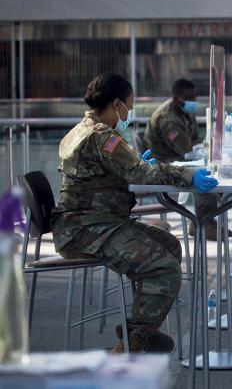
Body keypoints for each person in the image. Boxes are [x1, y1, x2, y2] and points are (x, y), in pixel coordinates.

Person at [50, 73, 218, 354]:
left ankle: (140, 327)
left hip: (92, 223)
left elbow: (105, 177)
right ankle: (134, 341)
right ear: (116, 104)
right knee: (165, 269)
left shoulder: (80, 130)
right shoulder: (102, 136)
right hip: (87, 229)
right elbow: (140, 173)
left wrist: (135, 166)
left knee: (169, 246)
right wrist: (187, 175)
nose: (129, 112)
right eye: (128, 105)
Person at [143, 79, 225, 240]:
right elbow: (186, 148)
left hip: (178, 158)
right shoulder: (168, 119)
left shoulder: (185, 112)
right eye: (189, 97)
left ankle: (207, 219)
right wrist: (207, 140)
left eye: (194, 96)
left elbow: (194, 142)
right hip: (162, 164)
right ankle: (203, 221)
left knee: (215, 170)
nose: (193, 101)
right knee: (201, 173)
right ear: (176, 99)